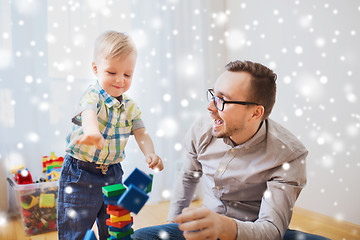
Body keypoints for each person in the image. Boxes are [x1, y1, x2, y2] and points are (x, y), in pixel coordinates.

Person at [132, 60, 329, 240]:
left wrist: (226, 227)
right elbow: (188, 175)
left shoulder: (289, 155)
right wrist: (173, 224)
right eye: (213, 95)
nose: (210, 107)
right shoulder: (202, 130)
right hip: (207, 227)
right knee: (140, 237)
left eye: (222, 100)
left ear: (255, 113)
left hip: (253, 233)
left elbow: (270, 230)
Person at [57, 30, 164, 240]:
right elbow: (88, 113)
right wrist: (92, 132)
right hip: (80, 172)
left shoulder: (131, 106)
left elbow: (141, 132)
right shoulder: (92, 95)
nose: (120, 80)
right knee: (76, 228)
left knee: (115, 226)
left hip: (112, 173)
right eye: (112, 72)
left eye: (127, 74)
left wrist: (150, 153)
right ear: (96, 69)